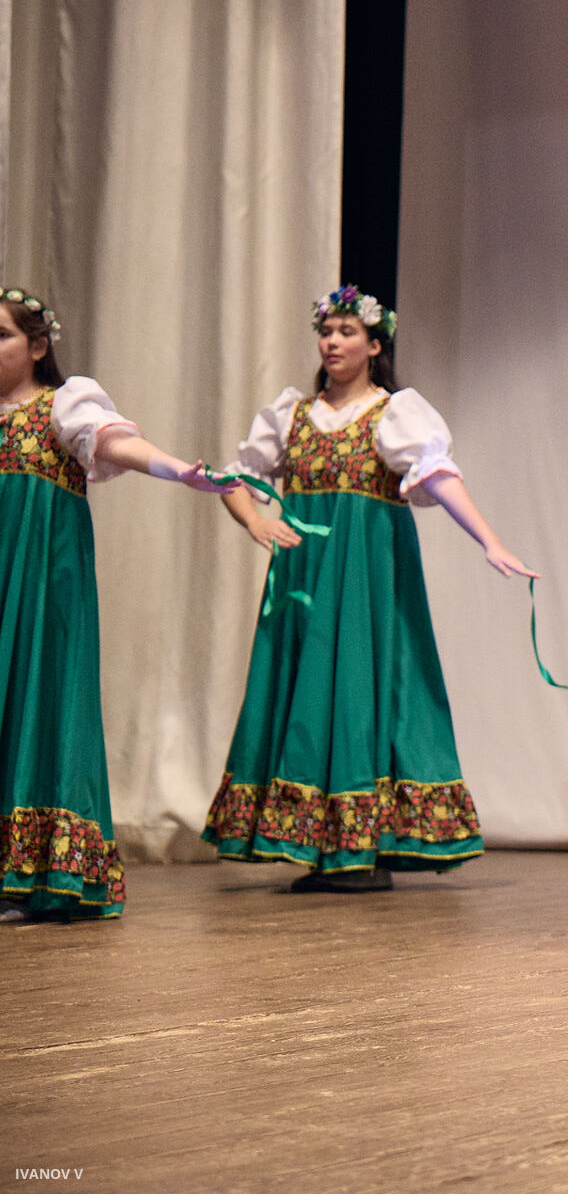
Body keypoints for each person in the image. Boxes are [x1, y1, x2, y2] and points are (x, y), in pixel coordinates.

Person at [202, 287, 533, 891]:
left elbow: (438, 475)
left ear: (375, 345)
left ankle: (361, 849)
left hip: (366, 578)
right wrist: (256, 522)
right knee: (304, 694)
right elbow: (235, 478)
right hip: (305, 576)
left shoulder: (394, 414)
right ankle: (322, 845)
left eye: (347, 332)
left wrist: (488, 539)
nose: (332, 342)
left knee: (360, 690)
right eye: (326, 331)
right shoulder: (291, 415)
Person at [1, 289, 235, 922]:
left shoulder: (62, 406)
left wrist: (179, 470)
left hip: (40, 584)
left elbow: (112, 443)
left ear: (38, 346)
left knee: (37, 702)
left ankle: (35, 875)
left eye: (2, 336)